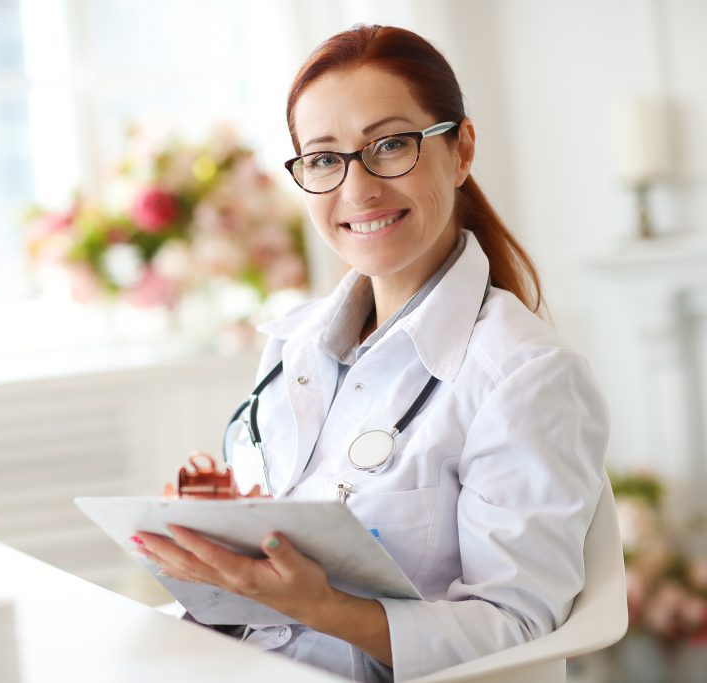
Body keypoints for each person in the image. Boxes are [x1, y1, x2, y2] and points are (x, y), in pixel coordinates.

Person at [132, 24, 609, 683]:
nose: (358, 190)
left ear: (461, 149)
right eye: (325, 159)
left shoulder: (524, 374)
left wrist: (324, 607)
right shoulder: (290, 346)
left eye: (390, 145)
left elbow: (518, 625)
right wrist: (213, 541)